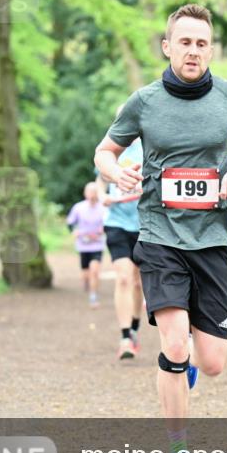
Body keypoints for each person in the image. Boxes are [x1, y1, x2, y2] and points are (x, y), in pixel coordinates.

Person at [93, 4, 227, 453]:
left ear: (210, 49)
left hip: (213, 241)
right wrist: (116, 171)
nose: (193, 51)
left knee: (210, 364)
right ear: (168, 47)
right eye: (185, 42)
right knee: (174, 346)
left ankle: (187, 366)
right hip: (159, 237)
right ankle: (178, 450)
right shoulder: (145, 102)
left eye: (202, 43)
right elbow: (104, 151)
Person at [98, 132, 145, 360]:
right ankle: (125, 337)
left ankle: (135, 327)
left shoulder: (148, 148)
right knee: (124, 277)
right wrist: (101, 196)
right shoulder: (110, 150)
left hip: (144, 224)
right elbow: (100, 180)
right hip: (116, 223)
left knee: (138, 282)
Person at [66, 182, 107, 309]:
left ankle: (93, 296)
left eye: (94, 192)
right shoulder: (78, 207)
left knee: (94, 271)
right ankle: (86, 282)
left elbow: (109, 223)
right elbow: (70, 223)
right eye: (89, 192)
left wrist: (103, 229)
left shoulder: (103, 208)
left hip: (97, 245)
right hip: (83, 245)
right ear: (85, 193)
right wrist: (74, 231)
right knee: (86, 273)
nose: (91, 195)